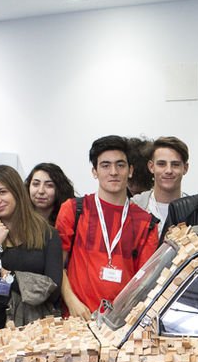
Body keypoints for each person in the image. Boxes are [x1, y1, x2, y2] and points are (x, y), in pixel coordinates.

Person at [54, 136, 158, 318]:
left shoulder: (146, 223)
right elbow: (56, 264)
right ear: (95, 171)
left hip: (121, 324)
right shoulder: (73, 210)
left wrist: (124, 317)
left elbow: (144, 284)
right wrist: (71, 302)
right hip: (77, 319)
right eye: (105, 165)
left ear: (130, 170)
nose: (113, 172)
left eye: (120, 165)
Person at [0, 164, 62, 330]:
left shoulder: (48, 234)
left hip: (37, 331)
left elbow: (52, 292)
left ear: (17, 191)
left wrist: (5, 275)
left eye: (2, 192)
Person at [130, 135, 189, 232]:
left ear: (185, 168)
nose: (168, 170)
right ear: (151, 167)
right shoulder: (133, 207)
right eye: (161, 164)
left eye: (175, 164)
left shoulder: (196, 211)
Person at [26, 162, 76, 227]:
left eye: (49, 185)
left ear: (59, 189)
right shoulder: (19, 219)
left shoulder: (70, 220)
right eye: (36, 184)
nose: (41, 191)